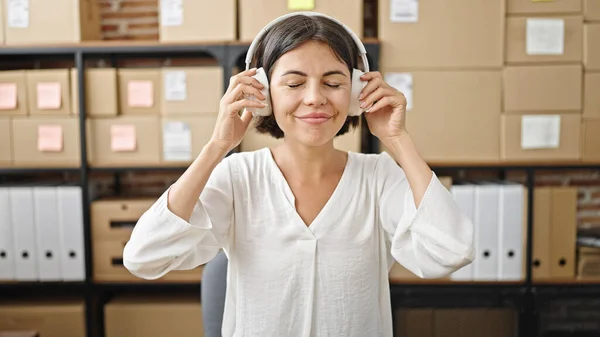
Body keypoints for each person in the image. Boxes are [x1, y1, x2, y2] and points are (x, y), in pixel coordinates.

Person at [123, 11, 474, 337]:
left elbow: (451, 251)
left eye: (333, 83)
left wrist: (398, 140)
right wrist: (217, 146)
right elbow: (144, 256)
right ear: (263, 94)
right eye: (294, 84)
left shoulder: (378, 178)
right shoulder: (238, 177)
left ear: (356, 93)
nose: (314, 98)